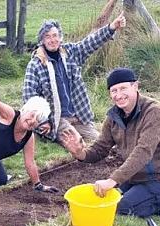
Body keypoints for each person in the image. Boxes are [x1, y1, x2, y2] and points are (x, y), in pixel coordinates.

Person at [61, 68, 160, 217]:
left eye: (123, 88)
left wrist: (113, 180)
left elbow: (143, 152)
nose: (119, 95)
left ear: (135, 86)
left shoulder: (154, 112)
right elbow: (100, 148)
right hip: (135, 176)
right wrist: (80, 153)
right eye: (113, 91)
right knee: (106, 200)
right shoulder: (113, 116)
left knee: (119, 209)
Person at [22, 13, 127, 144]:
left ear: (60, 38)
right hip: (57, 119)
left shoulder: (70, 52)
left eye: (55, 35)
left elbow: (90, 43)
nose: (52, 40)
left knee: (101, 142)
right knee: (77, 143)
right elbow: (29, 97)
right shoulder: (35, 64)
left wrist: (111, 27)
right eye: (47, 37)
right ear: (42, 40)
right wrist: (43, 122)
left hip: (79, 115)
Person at [0, 64, 67, 192]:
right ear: (25, 110)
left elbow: (30, 162)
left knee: (1, 180)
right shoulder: (10, 116)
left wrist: (39, 185)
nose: (32, 121)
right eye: (32, 115)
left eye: (37, 120)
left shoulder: (28, 137)